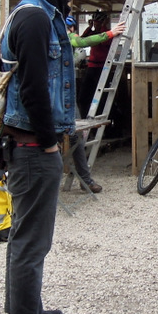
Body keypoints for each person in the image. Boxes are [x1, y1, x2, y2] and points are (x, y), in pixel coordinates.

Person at [0, 0, 84, 314]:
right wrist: (50, 142)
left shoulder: (40, 14)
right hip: (33, 147)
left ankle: (24, 310)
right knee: (32, 242)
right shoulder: (33, 18)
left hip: (30, 145)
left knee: (26, 238)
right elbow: (33, 89)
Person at [65, 14, 125, 193]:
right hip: (90, 68)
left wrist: (108, 32)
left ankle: (84, 178)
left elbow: (84, 41)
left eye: (98, 21)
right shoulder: (66, 35)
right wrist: (93, 28)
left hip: (100, 68)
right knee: (84, 101)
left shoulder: (70, 36)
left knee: (99, 105)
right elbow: (83, 40)